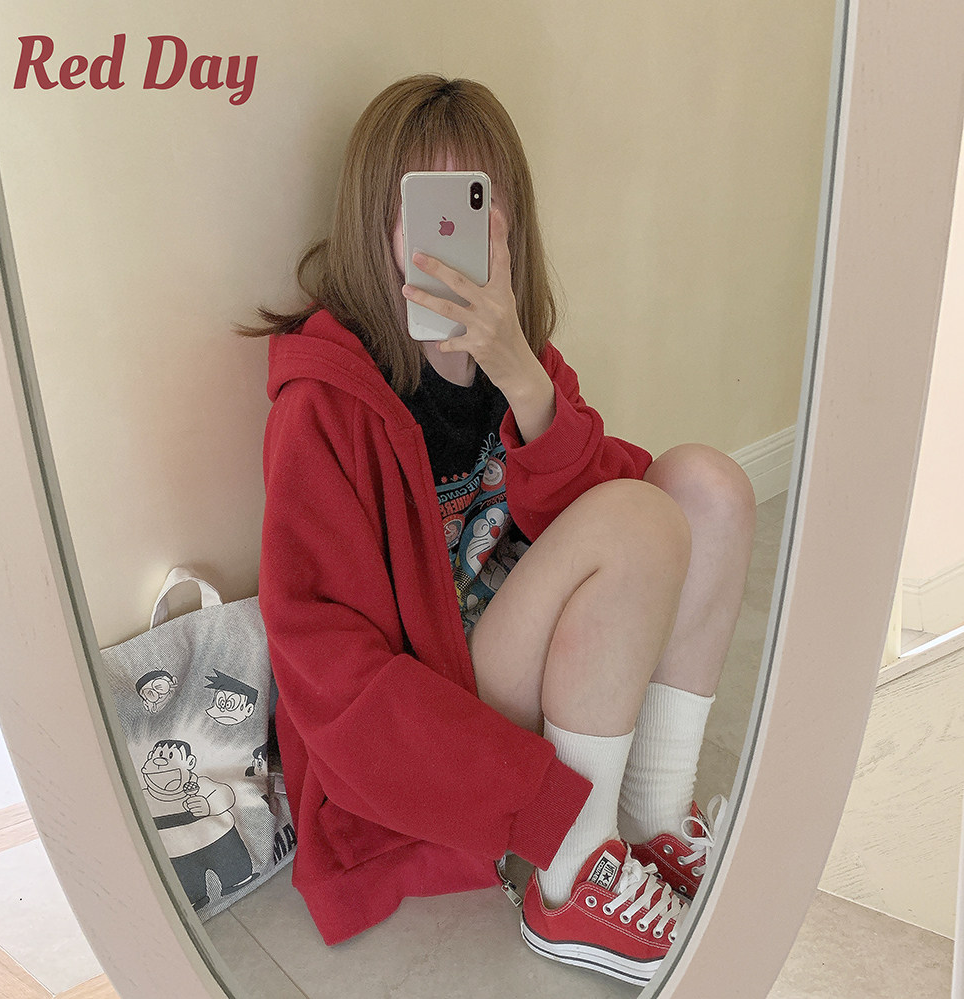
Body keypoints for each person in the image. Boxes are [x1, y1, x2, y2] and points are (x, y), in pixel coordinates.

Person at [242, 74, 755, 987]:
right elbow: (330, 663)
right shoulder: (324, 403)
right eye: (423, 209)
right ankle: (569, 875)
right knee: (640, 517)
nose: (449, 240)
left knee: (708, 487)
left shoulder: (522, 358)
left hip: (512, 638)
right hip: (436, 697)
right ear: (375, 224)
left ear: (510, 226)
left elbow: (608, 519)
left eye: (474, 208)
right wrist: (537, 807)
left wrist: (524, 376)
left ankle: (651, 818)